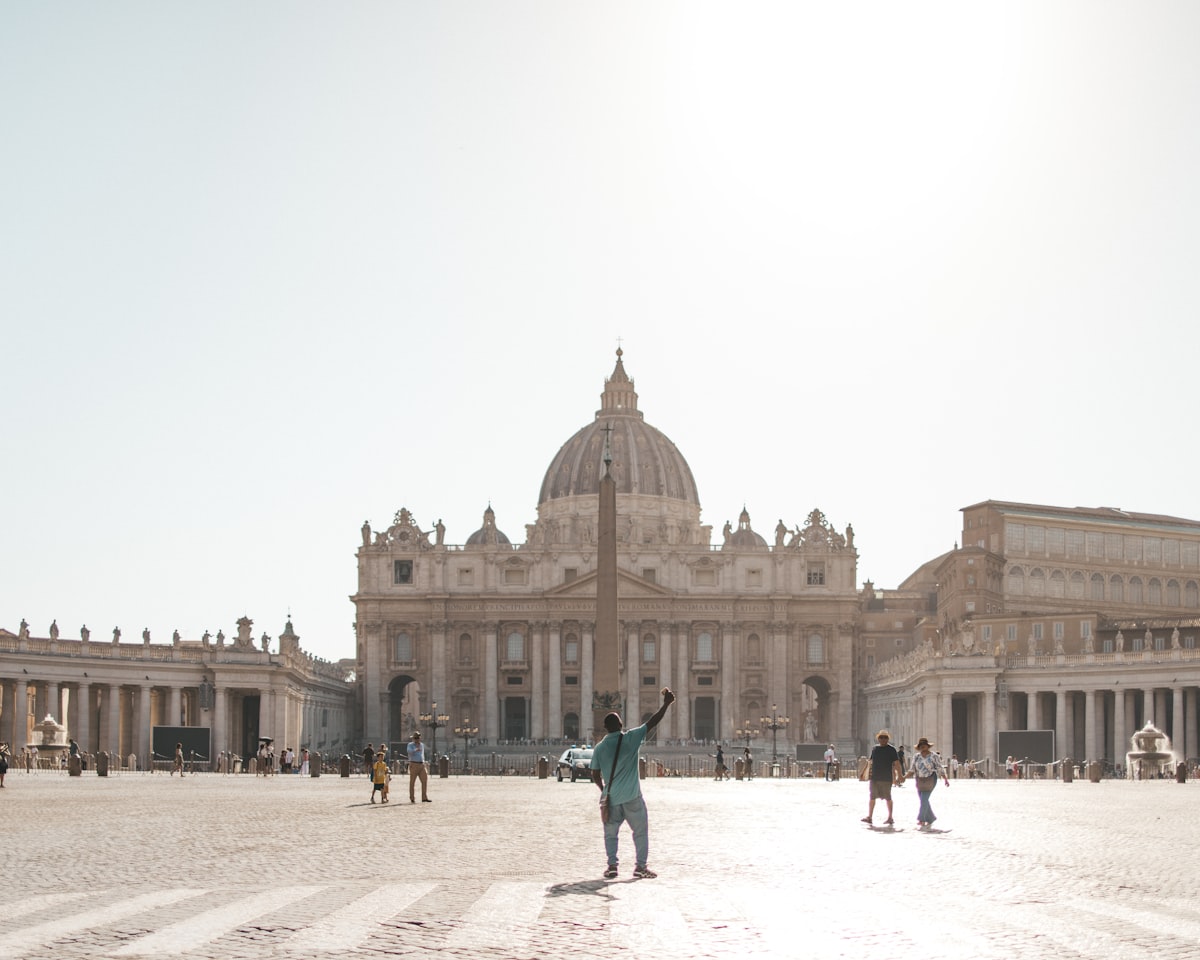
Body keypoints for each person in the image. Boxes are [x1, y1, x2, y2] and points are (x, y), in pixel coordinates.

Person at [590, 687, 676, 880]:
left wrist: (603, 789)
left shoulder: (600, 748)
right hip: (631, 797)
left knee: (610, 834)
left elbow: (594, 773)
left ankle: (612, 866)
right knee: (640, 832)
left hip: (611, 798)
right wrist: (666, 704)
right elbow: (652, 722)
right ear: (620, 724)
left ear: (605, 727)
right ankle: (640, 867)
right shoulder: (630, 738)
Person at [862, 729, 903, 826]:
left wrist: (900, 775)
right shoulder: (875, 749)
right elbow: (870, 762)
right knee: (872, 797)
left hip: (886, 778)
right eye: (881, 737)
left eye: (885, 737)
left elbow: (896, 763)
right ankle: (870, 817)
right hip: (874, 777)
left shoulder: (891, 749)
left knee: (888, 798)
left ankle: (890, 817)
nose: (883, 739)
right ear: (878, 738)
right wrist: (863, 772)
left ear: (888, 739)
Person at [908, 737, 949, 829]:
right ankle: (931, 818)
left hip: (930, 779)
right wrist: (903, 778)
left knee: (924, 799)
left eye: (924, 745)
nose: (923, 747)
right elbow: (912, 769)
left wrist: (945, 779)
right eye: (921, 745)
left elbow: (939, 767)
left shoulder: (934, 756)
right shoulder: (916, 756)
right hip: (919, 780)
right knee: (923, 800)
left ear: (927, 746)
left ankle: (921, 819)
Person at [407, 731, 431, 803]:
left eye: (418, 738)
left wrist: (423, 761)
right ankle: (412, 797)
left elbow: (422, 754)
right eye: (416, 738)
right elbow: (409, 751)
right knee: (412, 782)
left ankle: (424, 797)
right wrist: (415, 749)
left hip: (421, 764)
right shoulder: (410, 745)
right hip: (414, 764)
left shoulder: (422, 745)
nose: (417, 740)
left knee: (424, 780)